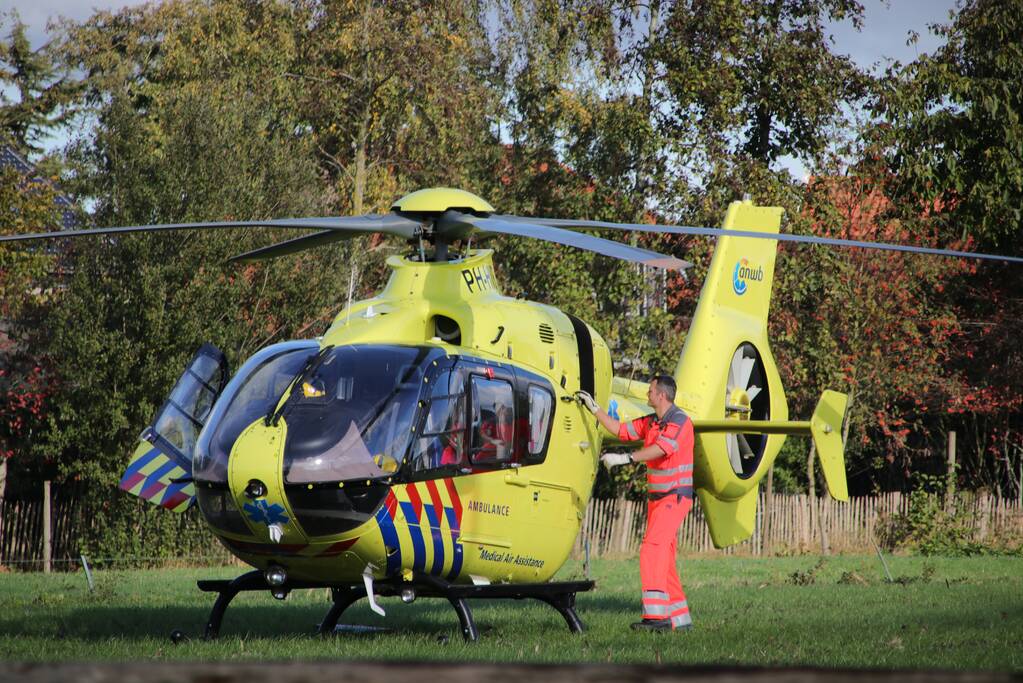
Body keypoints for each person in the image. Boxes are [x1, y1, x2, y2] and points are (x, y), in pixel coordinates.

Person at [576, 375, 695, 632]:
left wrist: (626, 458)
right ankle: (680, 620)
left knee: (651, 550)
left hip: (674, 498)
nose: (647, 395)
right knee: (664, 557)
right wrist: (595, 409)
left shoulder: (680, 421)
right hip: (658, 499)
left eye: (650, 391)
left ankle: (656, 619)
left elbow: (662, 449)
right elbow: (621, 430)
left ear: (662, 395)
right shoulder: (652, 422)